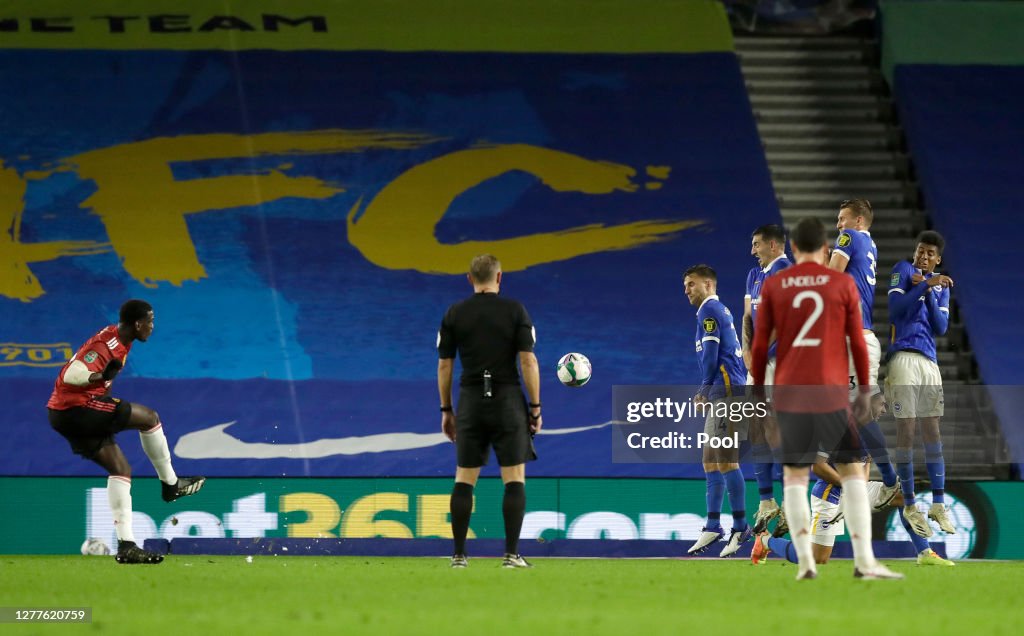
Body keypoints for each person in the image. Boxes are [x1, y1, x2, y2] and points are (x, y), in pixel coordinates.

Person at [751, 217, 902, 580]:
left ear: (794, 249)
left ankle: (804, 565)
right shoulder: (840, 284)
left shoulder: (776, 285)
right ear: (824, 249)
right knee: (853, 474)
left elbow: (760, 344)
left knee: (795, 479)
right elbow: (855, 338)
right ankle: (865, 562)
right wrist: (865, 388)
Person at [47, 300, 206, 564]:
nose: (152, 328)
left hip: (66, 414)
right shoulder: (105, 345)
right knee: (149, 418)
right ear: (138, 324)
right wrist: (96, 378)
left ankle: (127, 546)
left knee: (121, 469)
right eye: (150, 322)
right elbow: (71, 375)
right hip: (76, 410)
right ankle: (171, 485)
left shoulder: (121, 339)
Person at [437, 254, 541, 569]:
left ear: (470, 278)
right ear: (499, 278)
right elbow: (528, 361)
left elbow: (444, 365)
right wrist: (535, 407)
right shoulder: (515, 310)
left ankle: (458, 556)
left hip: (470, 401)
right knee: (514, 478)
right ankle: (511, 555)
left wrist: (447, 409)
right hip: (507, 401)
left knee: (464, 478)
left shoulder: (455, 313)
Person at [751, 452, 954, 567]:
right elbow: (818, 467)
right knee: (817, 559)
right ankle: (766, 541)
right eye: (880, 405)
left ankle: (924, 552)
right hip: (829, 496)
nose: (883, 410)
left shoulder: (867, 433)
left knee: (901, 496)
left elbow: (862, 477)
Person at [827, 199, 900, 508]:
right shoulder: (870, 245)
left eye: (842, 219)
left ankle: (888, 478)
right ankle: (866, 475)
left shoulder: (850, 238)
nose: (838, 225)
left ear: (859, 221)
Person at [886, 231, 955, 538]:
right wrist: (926, 284)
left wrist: (928, 291)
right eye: (920, 251)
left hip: (929, 362)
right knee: (908, 430)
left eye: (930, 254)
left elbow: (940, 327)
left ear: (937, 259)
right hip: (903, 356)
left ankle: (938, 504)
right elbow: (896, 310)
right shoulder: (902, 270)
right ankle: (911, 504)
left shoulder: (941, 286)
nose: (923, 257)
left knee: (933, 431)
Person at [682, 265, 750, 557]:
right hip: (723, 390)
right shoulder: (711, 311)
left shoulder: (710, 311)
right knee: (710, 460)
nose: (686, 290)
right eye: (685, 286)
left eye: (691, 284)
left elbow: (712, 354)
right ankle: (713, 525)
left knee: (726, 460)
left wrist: (705, 387)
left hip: (726, 390)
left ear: (708, 284)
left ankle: (740, 526)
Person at [742, 224, 792, 534]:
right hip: (758, 364)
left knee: (777, 433)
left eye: (757, 244)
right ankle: (766, 501)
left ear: (773, 245)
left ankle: (791, 502)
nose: (752, 250)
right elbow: (748, 316)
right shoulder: (754, 276)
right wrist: (748, 353)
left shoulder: (786, 272)